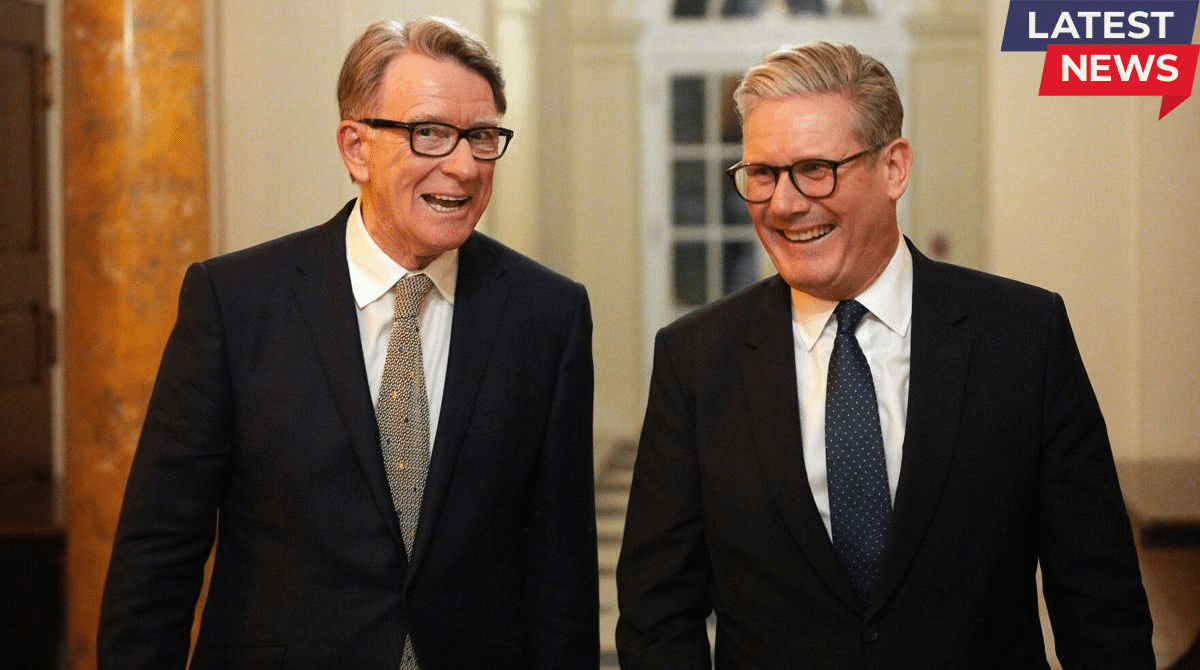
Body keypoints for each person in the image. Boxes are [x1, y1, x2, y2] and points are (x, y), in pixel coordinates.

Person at [616, 41, 1153, 669]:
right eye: (762, 174)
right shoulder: (696, 359)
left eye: (815, 168)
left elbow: (1099, 602)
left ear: (894, 167)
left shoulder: (1022, 337)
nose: (784, 204)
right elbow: (657, 614)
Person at [98, 17, 598, 669]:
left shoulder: (547, 315)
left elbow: (561, 572)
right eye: (430, 133)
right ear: (356, 148)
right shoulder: (236, 303)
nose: (464, 166)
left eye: (481, 137)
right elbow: (159, 551)